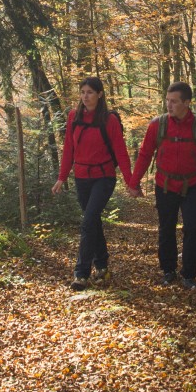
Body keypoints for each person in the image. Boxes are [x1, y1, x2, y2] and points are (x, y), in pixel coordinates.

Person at [131, 82, 196, 289]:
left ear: (187, 103)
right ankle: (168, 270)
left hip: (194, 186)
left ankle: (189, 274)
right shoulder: (158, 125)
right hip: (164, 186)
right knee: (166, 228)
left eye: (174, 101)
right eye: (167, 100)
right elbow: (145, 155)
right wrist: (133, 182)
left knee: (192, 229)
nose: (169, 105)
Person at [53, 77, 137, 290]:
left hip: (104, 177)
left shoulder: (109, 120)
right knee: (92, 222)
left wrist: (130, 182)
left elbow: (121, 152)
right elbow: (69, 151)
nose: (85, 96)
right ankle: (102, 265)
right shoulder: (74, 117)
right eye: (82, 92)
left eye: (90, 92)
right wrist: (61, 178)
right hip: (81, 178)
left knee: (88, 221)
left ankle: (81, 273)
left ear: (100, 94)